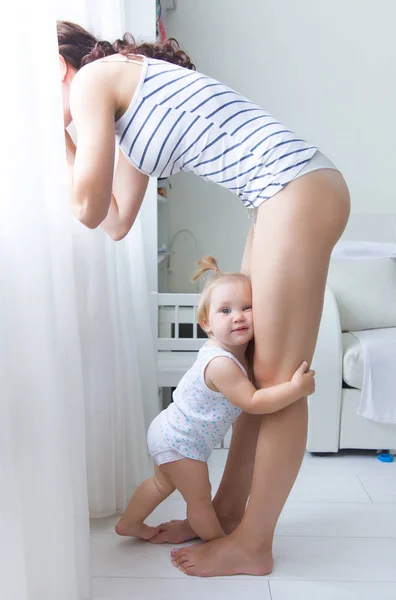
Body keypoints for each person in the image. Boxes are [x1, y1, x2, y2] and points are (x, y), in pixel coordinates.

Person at [58, 20, 350, 576]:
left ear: (58, 69)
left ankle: (252, 546)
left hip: (293, 190)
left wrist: (54, 133)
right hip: (280, 197)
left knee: (282, 381)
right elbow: (117, 221)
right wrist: (74, 139)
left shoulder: (92, 80)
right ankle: (227, 516)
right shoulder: (127, 105)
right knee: (262, 374)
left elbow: (86, 209)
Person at [115, 256, 315, 542]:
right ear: (206, 323)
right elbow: (254, 402)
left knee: (161, 484)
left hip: (168, 430)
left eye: (248, 307)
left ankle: (129, 523)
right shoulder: (222, 365)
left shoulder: (231, 352)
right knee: (200, 500)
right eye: (226, 310)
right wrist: (296, 389)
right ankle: (217, 544)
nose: (239, 316)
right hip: (182, 442)